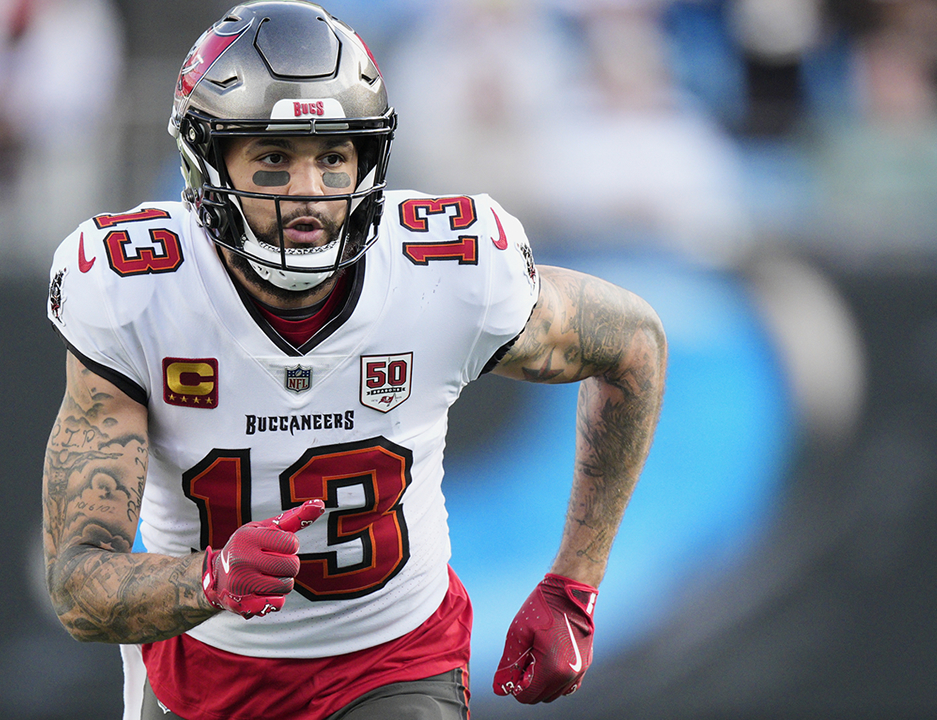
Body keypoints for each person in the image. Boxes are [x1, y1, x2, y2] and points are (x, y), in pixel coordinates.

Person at [41, 2, 667, 718]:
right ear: (206, 163)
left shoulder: (446, 269)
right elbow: (78, 584)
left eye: (333, 158)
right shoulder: (139, 289)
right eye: (273, 159)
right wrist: (208, 579)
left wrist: (575, 585)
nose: (309, 191)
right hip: (205, 672)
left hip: (394, 659)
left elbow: (634, 343)